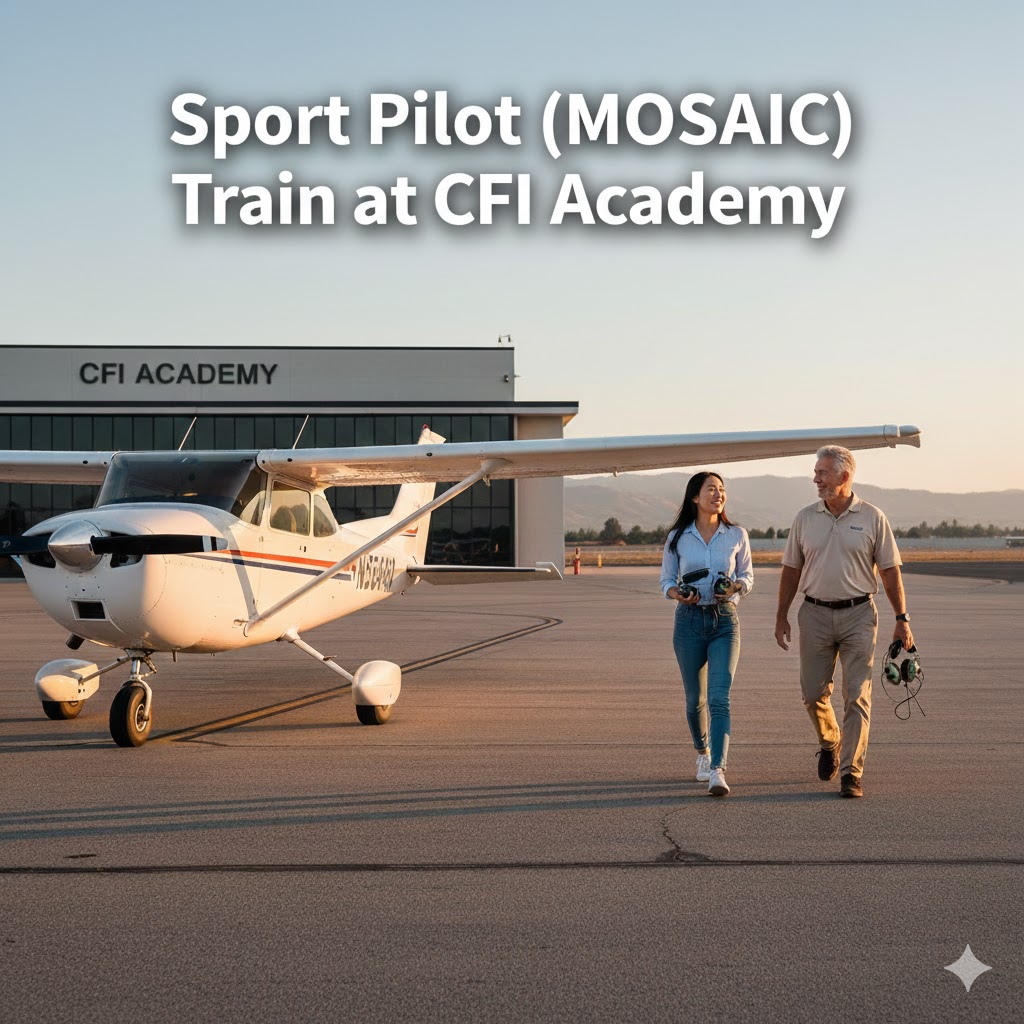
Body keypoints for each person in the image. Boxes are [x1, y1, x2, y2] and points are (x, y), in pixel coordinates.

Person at [774, 445, 914, 799]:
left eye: (822, 473)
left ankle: (852, 772)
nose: (816, 479)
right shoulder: (805, 517)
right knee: (812, 694)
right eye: (816, 472)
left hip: (859, 615)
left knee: (857, 696)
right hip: (815, 614)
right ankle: (830, 740)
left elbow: (890, 572)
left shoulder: (872, 517)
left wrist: (902, 619)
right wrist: (781, 615)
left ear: (844, 476)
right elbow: (791, 569)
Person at [660, 471, 753, 797]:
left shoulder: (737, 534)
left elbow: (747, 576)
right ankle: (702, 754)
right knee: (693, 701)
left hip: (725, 622)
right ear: (695, 497)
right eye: (711, 489)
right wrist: (679, 594)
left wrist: (736, 588)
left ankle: (718, 770)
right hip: (688, 622)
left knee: (718, 698)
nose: (718, 494)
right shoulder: (677, 537)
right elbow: (666, 581)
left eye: (722, 489)